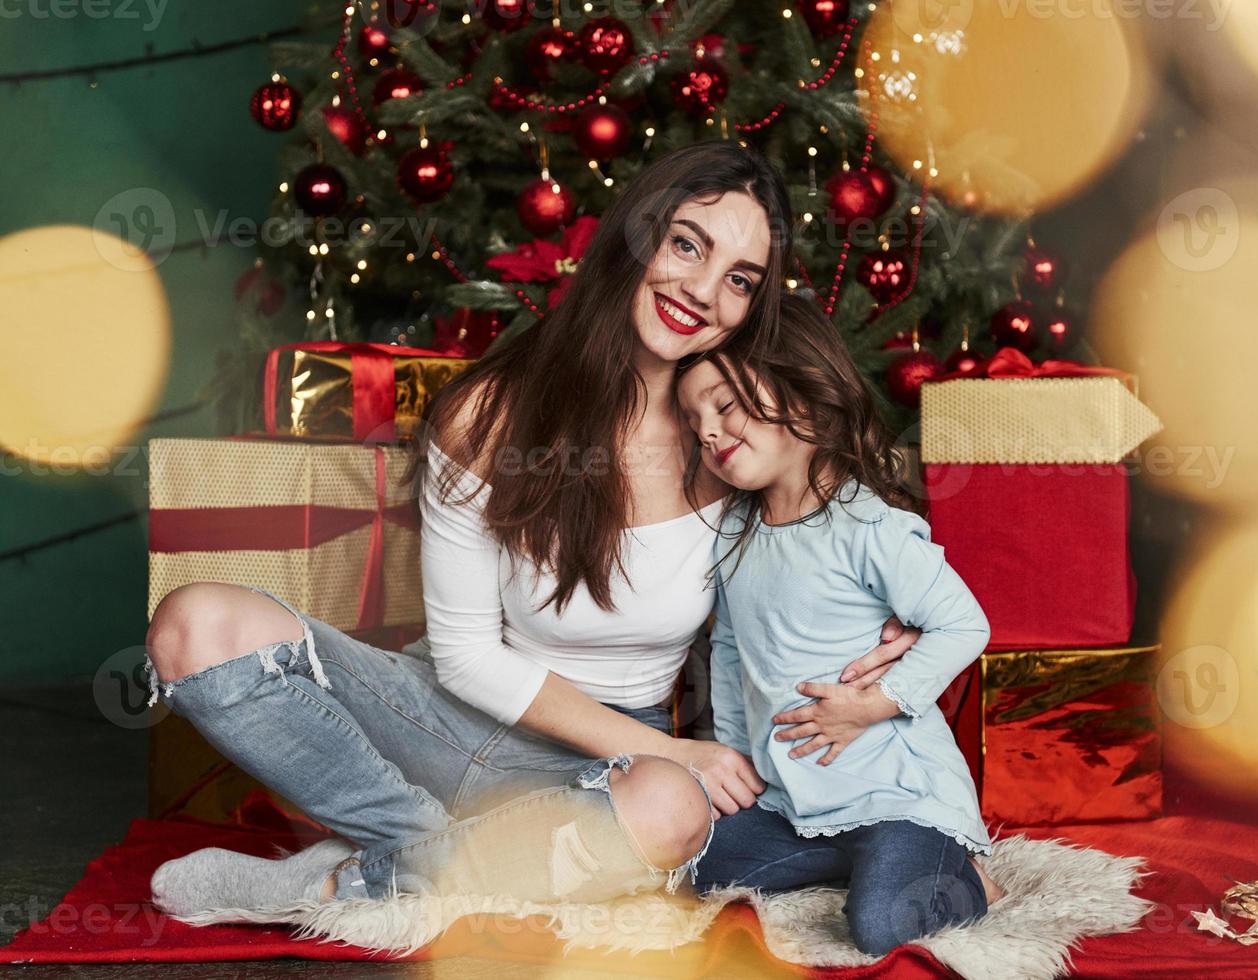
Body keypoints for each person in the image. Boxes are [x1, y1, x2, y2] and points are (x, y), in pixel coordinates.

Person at [144, 141, 920, 917]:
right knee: (194, 625)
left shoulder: (729, 432)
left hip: (610, 762)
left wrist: (896, 613)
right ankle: (423, 858)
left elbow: (845, 528)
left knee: (671, 812)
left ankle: (347, 880)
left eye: (739, 281)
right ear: (637, 235)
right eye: (687, 244)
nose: (703, 291)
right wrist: (674, 750)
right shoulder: (487, 414)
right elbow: (466, 658)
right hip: (441, 722)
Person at [674, 292, 1004, 956]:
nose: (707, 431)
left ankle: (963, 876)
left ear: (799, 398)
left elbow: (963, 626)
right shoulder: (735, 531)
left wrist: (871, 705)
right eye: (693, 419)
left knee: (881, 924)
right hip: (796, 806)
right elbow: (732, 651)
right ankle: (850, 862)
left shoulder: (867, 525)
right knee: (693, 866)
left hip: (896, 797)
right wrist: (742, 765)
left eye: (725, 407)